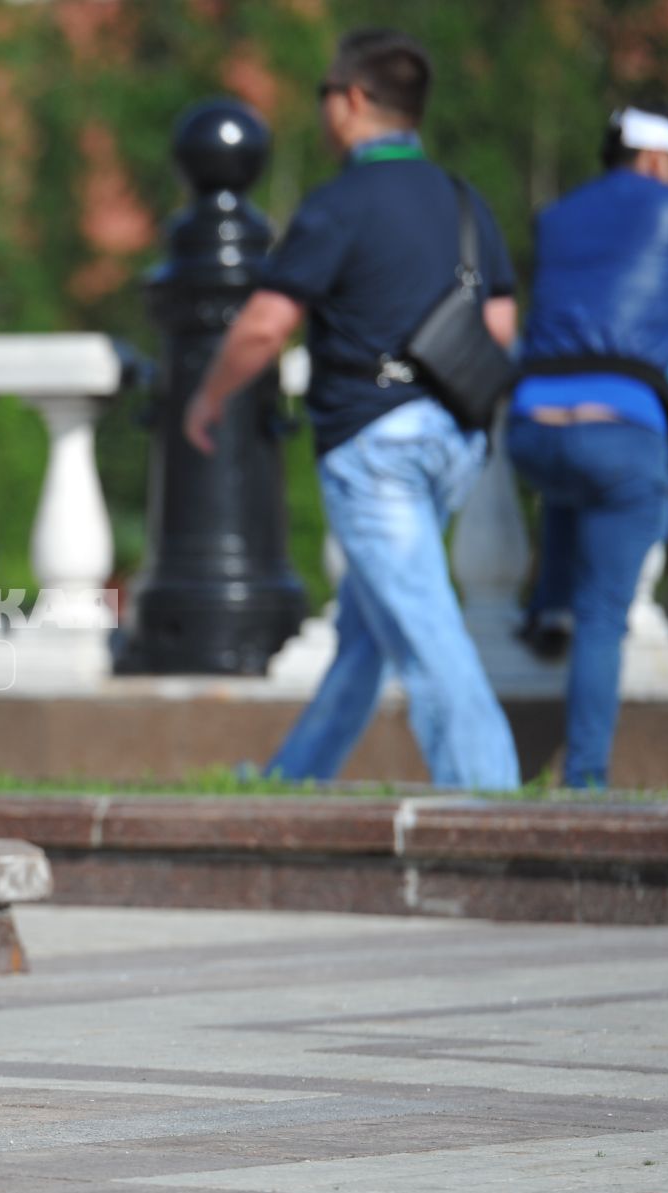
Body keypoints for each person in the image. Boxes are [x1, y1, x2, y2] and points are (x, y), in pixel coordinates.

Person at [182, 28, 521, 789]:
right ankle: (291, 778)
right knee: (369, 630)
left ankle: (490, 798)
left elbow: (268, 324)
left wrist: (206, 398)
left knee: (427, 631)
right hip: (452, 439)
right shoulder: (464, 199)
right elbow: (499, 329)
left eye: (326, 96)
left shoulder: (339, 203)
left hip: (376, 445)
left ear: (356, 99)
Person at [505, 106, 668, 788]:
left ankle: (546, 606)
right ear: (654, 160)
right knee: (605, 615)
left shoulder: (557, 217)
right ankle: (585, 780)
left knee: (569, 484)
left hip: (531, 425)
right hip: (623, 429)